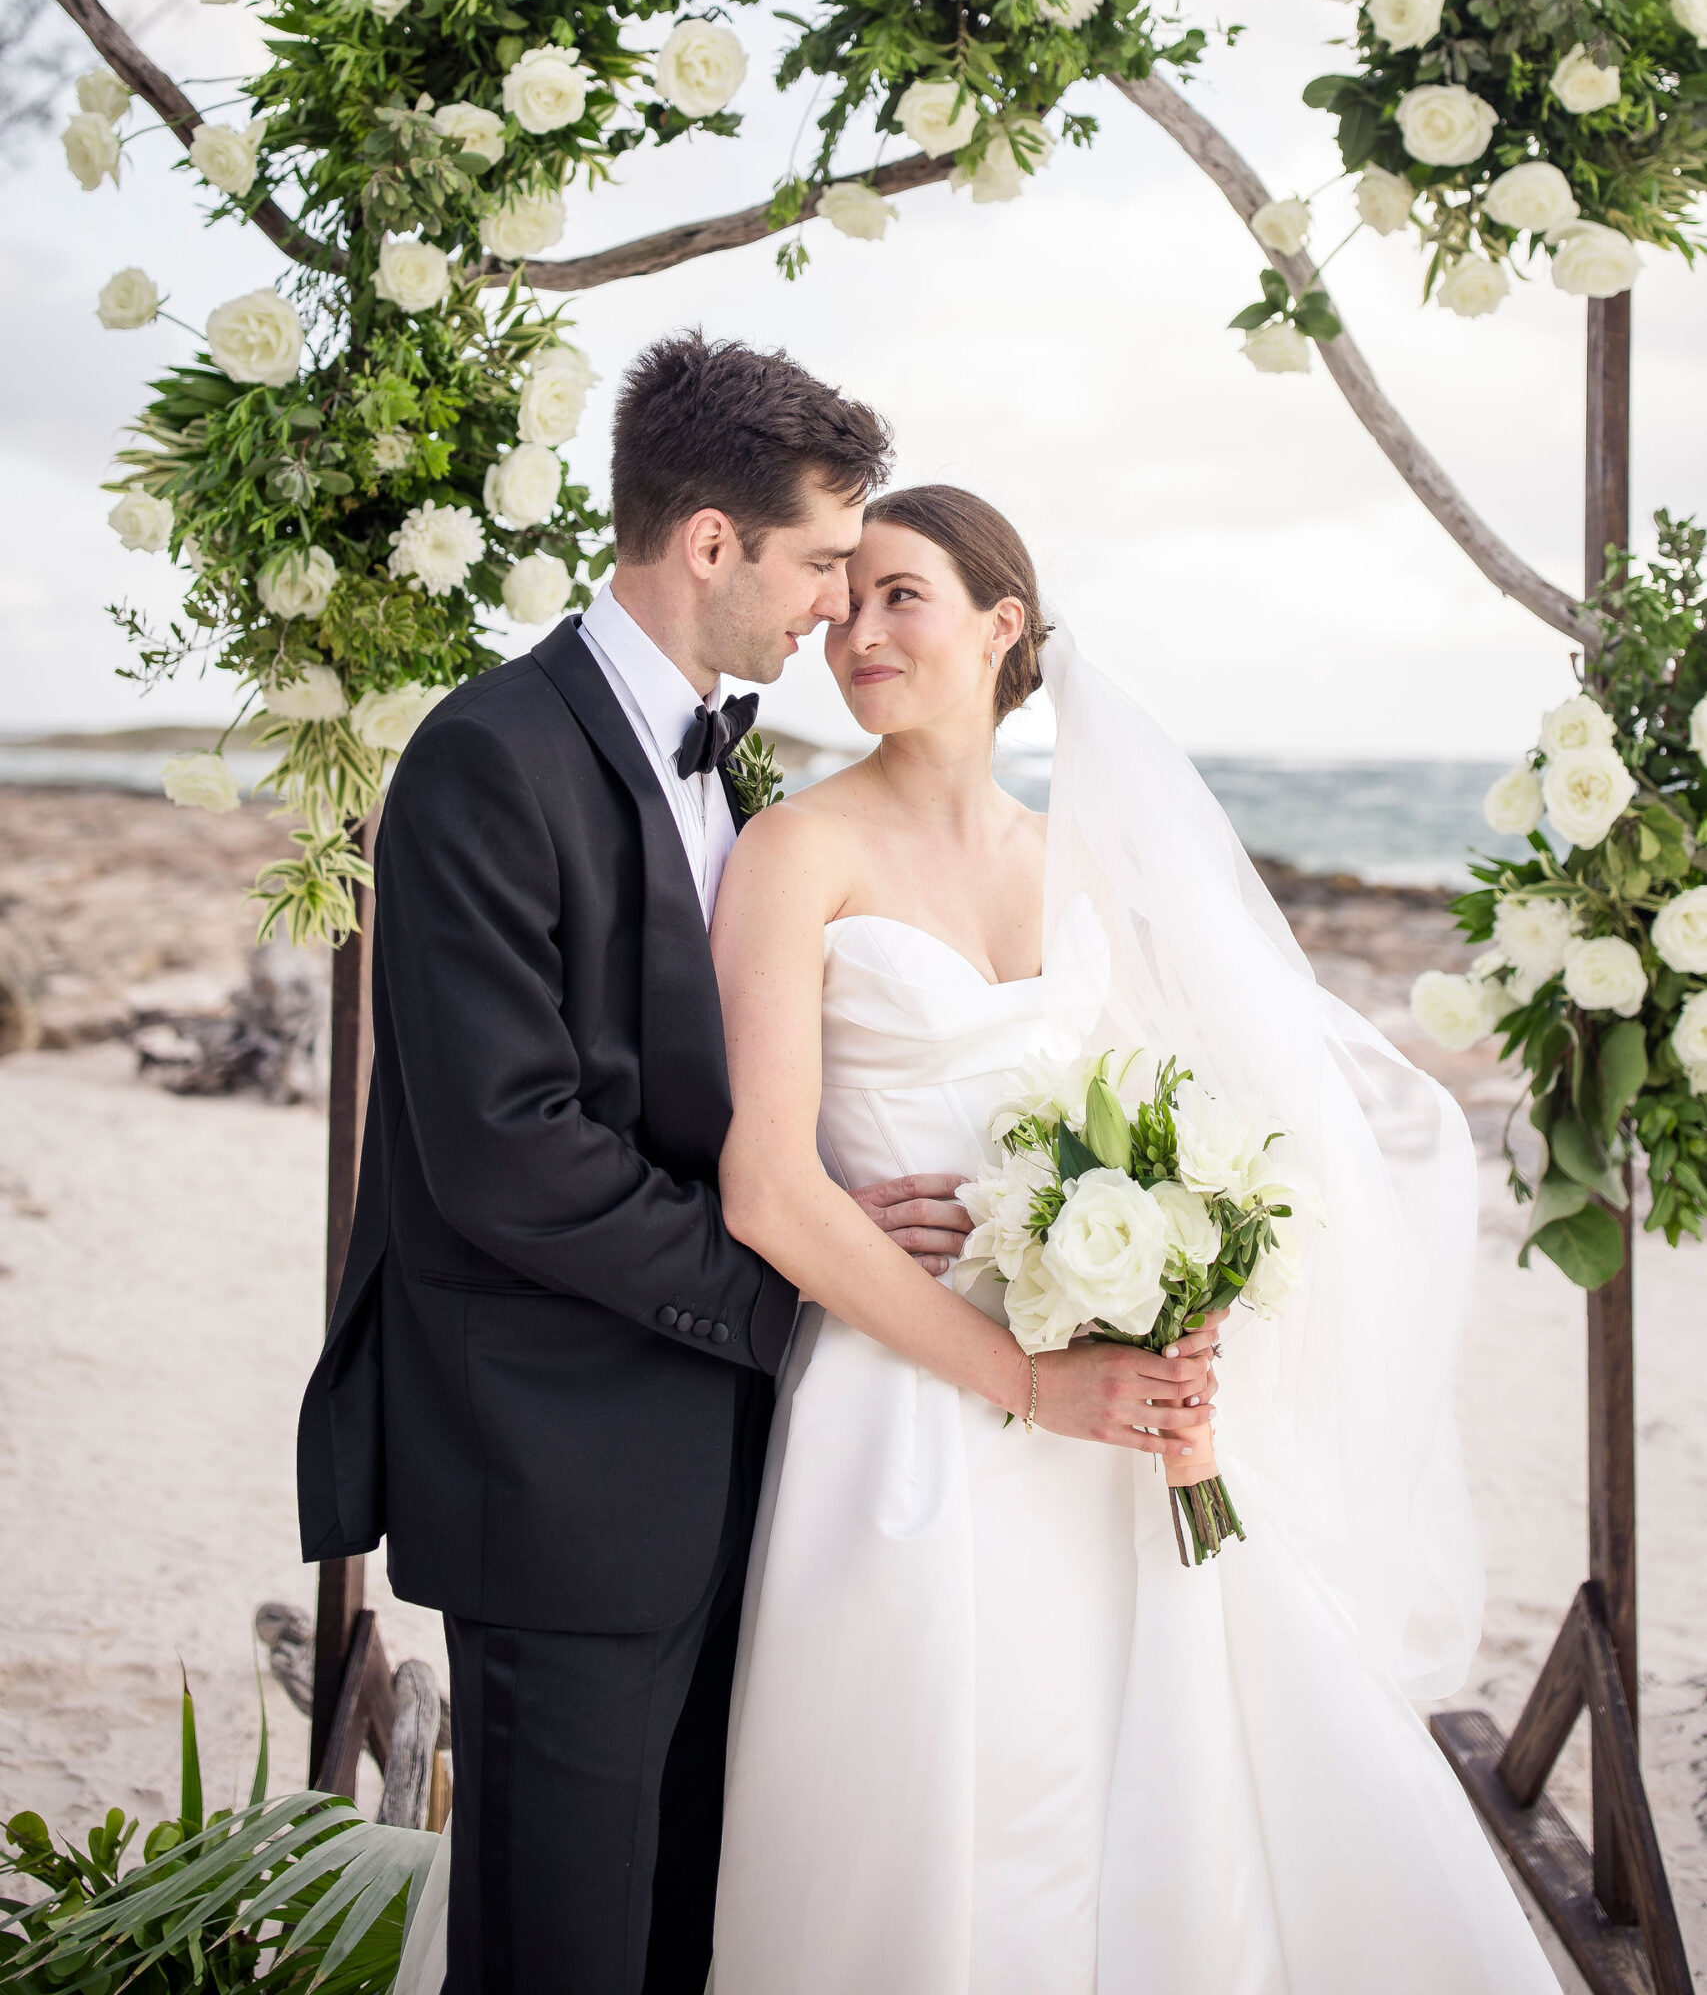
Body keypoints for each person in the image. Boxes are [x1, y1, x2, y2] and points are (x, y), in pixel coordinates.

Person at [707, 484, 1561, 1995]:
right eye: (846, 601)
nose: (857, 628)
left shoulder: (1080, 856)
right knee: (941, 1818)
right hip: (904, 1412)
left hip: (1112, 1408)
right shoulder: (794, 850)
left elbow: (1178, 1118)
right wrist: (1025, 1379)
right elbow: (768, 1192)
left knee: (1145, 1788)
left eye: (903, 594)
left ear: (1002, 625)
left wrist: (1187, 1268)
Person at [303, 335, 949, 1995]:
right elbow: (509, 1152)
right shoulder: (483, 757)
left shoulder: (724, 754)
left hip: (724, 1464)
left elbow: (705, 1078)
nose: (832, 603)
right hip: (556, 1468)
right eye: (817, 561)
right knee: (557, 1949)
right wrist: (791, 1279)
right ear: (711, 542)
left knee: (679, 1932)